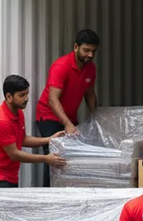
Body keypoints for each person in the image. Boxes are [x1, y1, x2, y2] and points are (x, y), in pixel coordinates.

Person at [36, 29, 100, 186]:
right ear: (76, 47)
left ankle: (67, 192)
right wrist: (67, 123)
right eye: (86, 50)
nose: (90, 55)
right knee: (54, 157)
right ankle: (49, 194)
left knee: (73, 157)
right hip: (49, 116)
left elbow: (90, 94)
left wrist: (96, 118)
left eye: (93, 51)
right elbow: (52, 100)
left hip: (69, 117)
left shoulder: (90, 68)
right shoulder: (61, 66)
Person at [0, 75, 67, 188]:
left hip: (10, 174)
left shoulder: (18, 112)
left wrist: (49, 139)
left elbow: (23, 139)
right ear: (9, 97)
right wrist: (46, 158)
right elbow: (14, 154)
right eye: (22, 95)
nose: (26, 98)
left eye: (27, 94)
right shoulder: (1, 121)